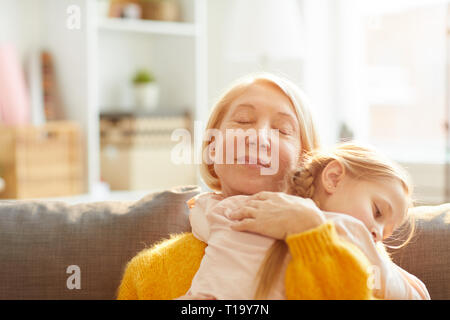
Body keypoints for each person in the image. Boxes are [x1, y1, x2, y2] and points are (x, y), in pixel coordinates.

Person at [118, 73, 374, 299]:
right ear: (213, 147)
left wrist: (311, 233)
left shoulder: (346, 246)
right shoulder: (150, 272)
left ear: (305, 164)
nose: (258, 137)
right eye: (242, 121)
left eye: (282, 130)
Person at [181, 143, 430, 300]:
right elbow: (405, 293)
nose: (376, 234)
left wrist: (203, 203)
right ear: (333, 178)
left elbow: (203, 223)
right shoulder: (349, 231)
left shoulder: (243, 205)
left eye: (386, 232)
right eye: (377, 212)